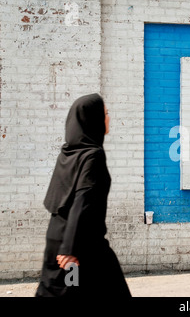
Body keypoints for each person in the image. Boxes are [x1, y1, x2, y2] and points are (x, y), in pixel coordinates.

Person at [36, 93, 131, 297]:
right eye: (105, 113)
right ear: (93, 118)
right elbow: (83, 201)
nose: (108, 118)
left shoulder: (68, 153)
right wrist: (70, 249)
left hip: (61, 239)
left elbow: (58, 201)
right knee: (69, 290)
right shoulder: (92, 156)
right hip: (78, 248)